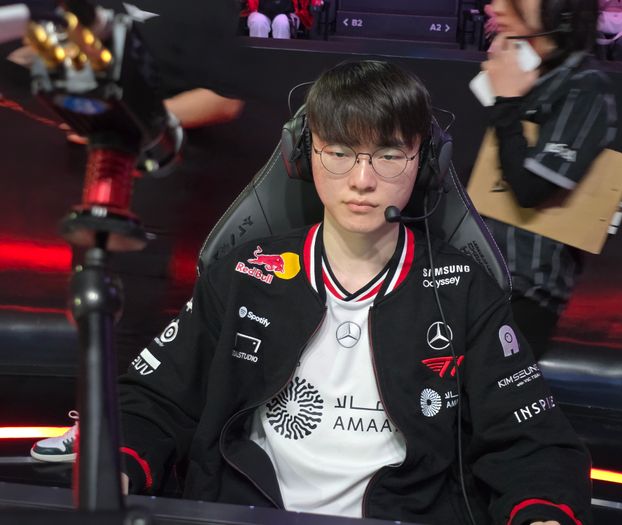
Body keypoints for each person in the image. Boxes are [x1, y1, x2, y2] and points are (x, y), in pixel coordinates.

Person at [117, 60, 591, 525]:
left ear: (426, 161)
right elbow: (155, 401)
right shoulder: (244, 274)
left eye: (389, 156)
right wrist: (115, 467)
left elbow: (532, 442)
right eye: (340, 152)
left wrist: (543, 516)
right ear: (305, 153)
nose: (362, 181)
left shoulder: (465, 290)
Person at [28, 0, 244, 463]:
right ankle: (98, 426)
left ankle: (115, 436)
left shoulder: (201, 11)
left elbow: (223, 97)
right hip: (96, 173)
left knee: (127, 313)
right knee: (92, 302)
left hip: (155, 179)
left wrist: (127, 117)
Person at [480, 0, 617, 358]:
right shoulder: (522, 70)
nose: (496, 7)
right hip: (478, 272)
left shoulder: (585, 87)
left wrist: (506, 102)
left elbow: (530, 189)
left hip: (527, 287)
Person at [245, 0, 315, 39]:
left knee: (282, 23)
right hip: (259, 11)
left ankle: (280, 58)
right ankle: (258, 57)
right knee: (258, 22)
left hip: (289, 12)